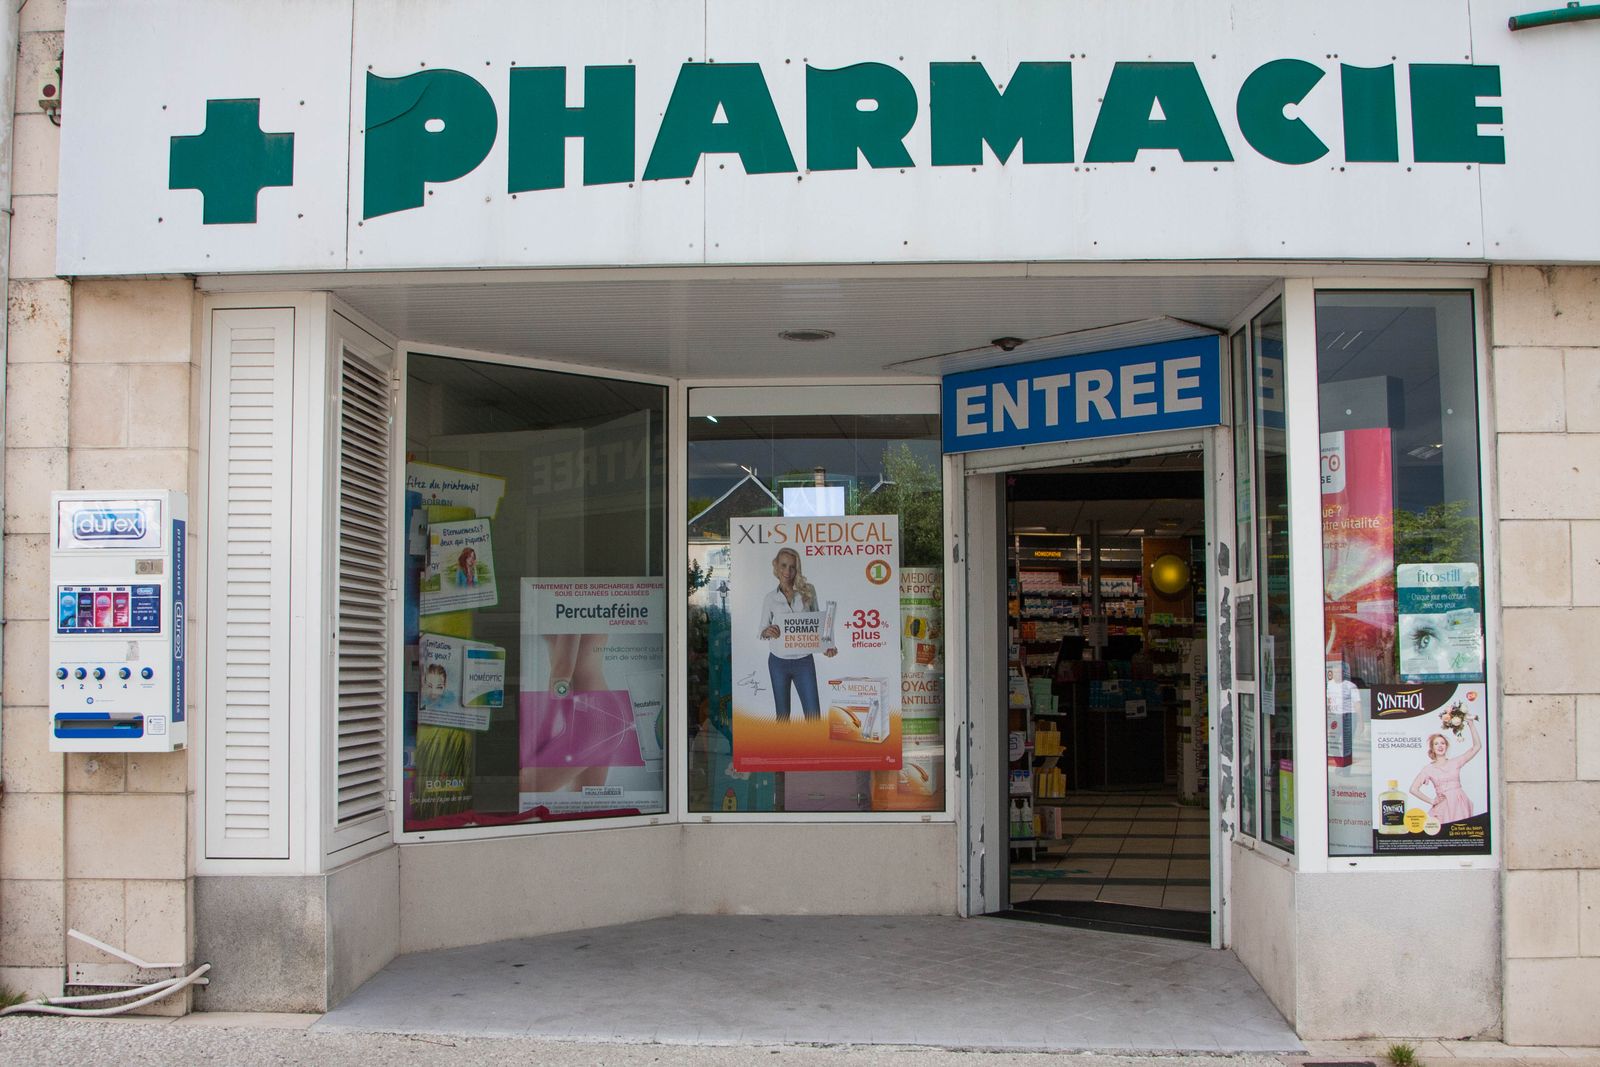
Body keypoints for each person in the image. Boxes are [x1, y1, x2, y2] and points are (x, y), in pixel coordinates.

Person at [758, 547, 835, 721]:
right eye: (784, 565)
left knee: (813, 716)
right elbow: (761, 630)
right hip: (778, 662)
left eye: (792, 567)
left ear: (797, 569)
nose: (788, 571)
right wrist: (767, 631)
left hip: (804, 661)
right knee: (783, 716)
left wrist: (827, 646)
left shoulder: (808, 591)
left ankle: (813, 742)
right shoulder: (770, 598)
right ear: (776, 566)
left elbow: (818, 624)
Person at [1409, 714, 1482, 824]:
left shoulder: (1455, 762)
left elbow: (1477, 747)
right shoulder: (1428, 769)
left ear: (1446, 746)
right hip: (1443, 807)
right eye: (1436, 744)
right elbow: (1413, 789)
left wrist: (1471, 724)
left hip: (1459, 804)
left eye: (1442, 743)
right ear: (1432, 748)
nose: (1440, 746)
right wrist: (1432, 801)